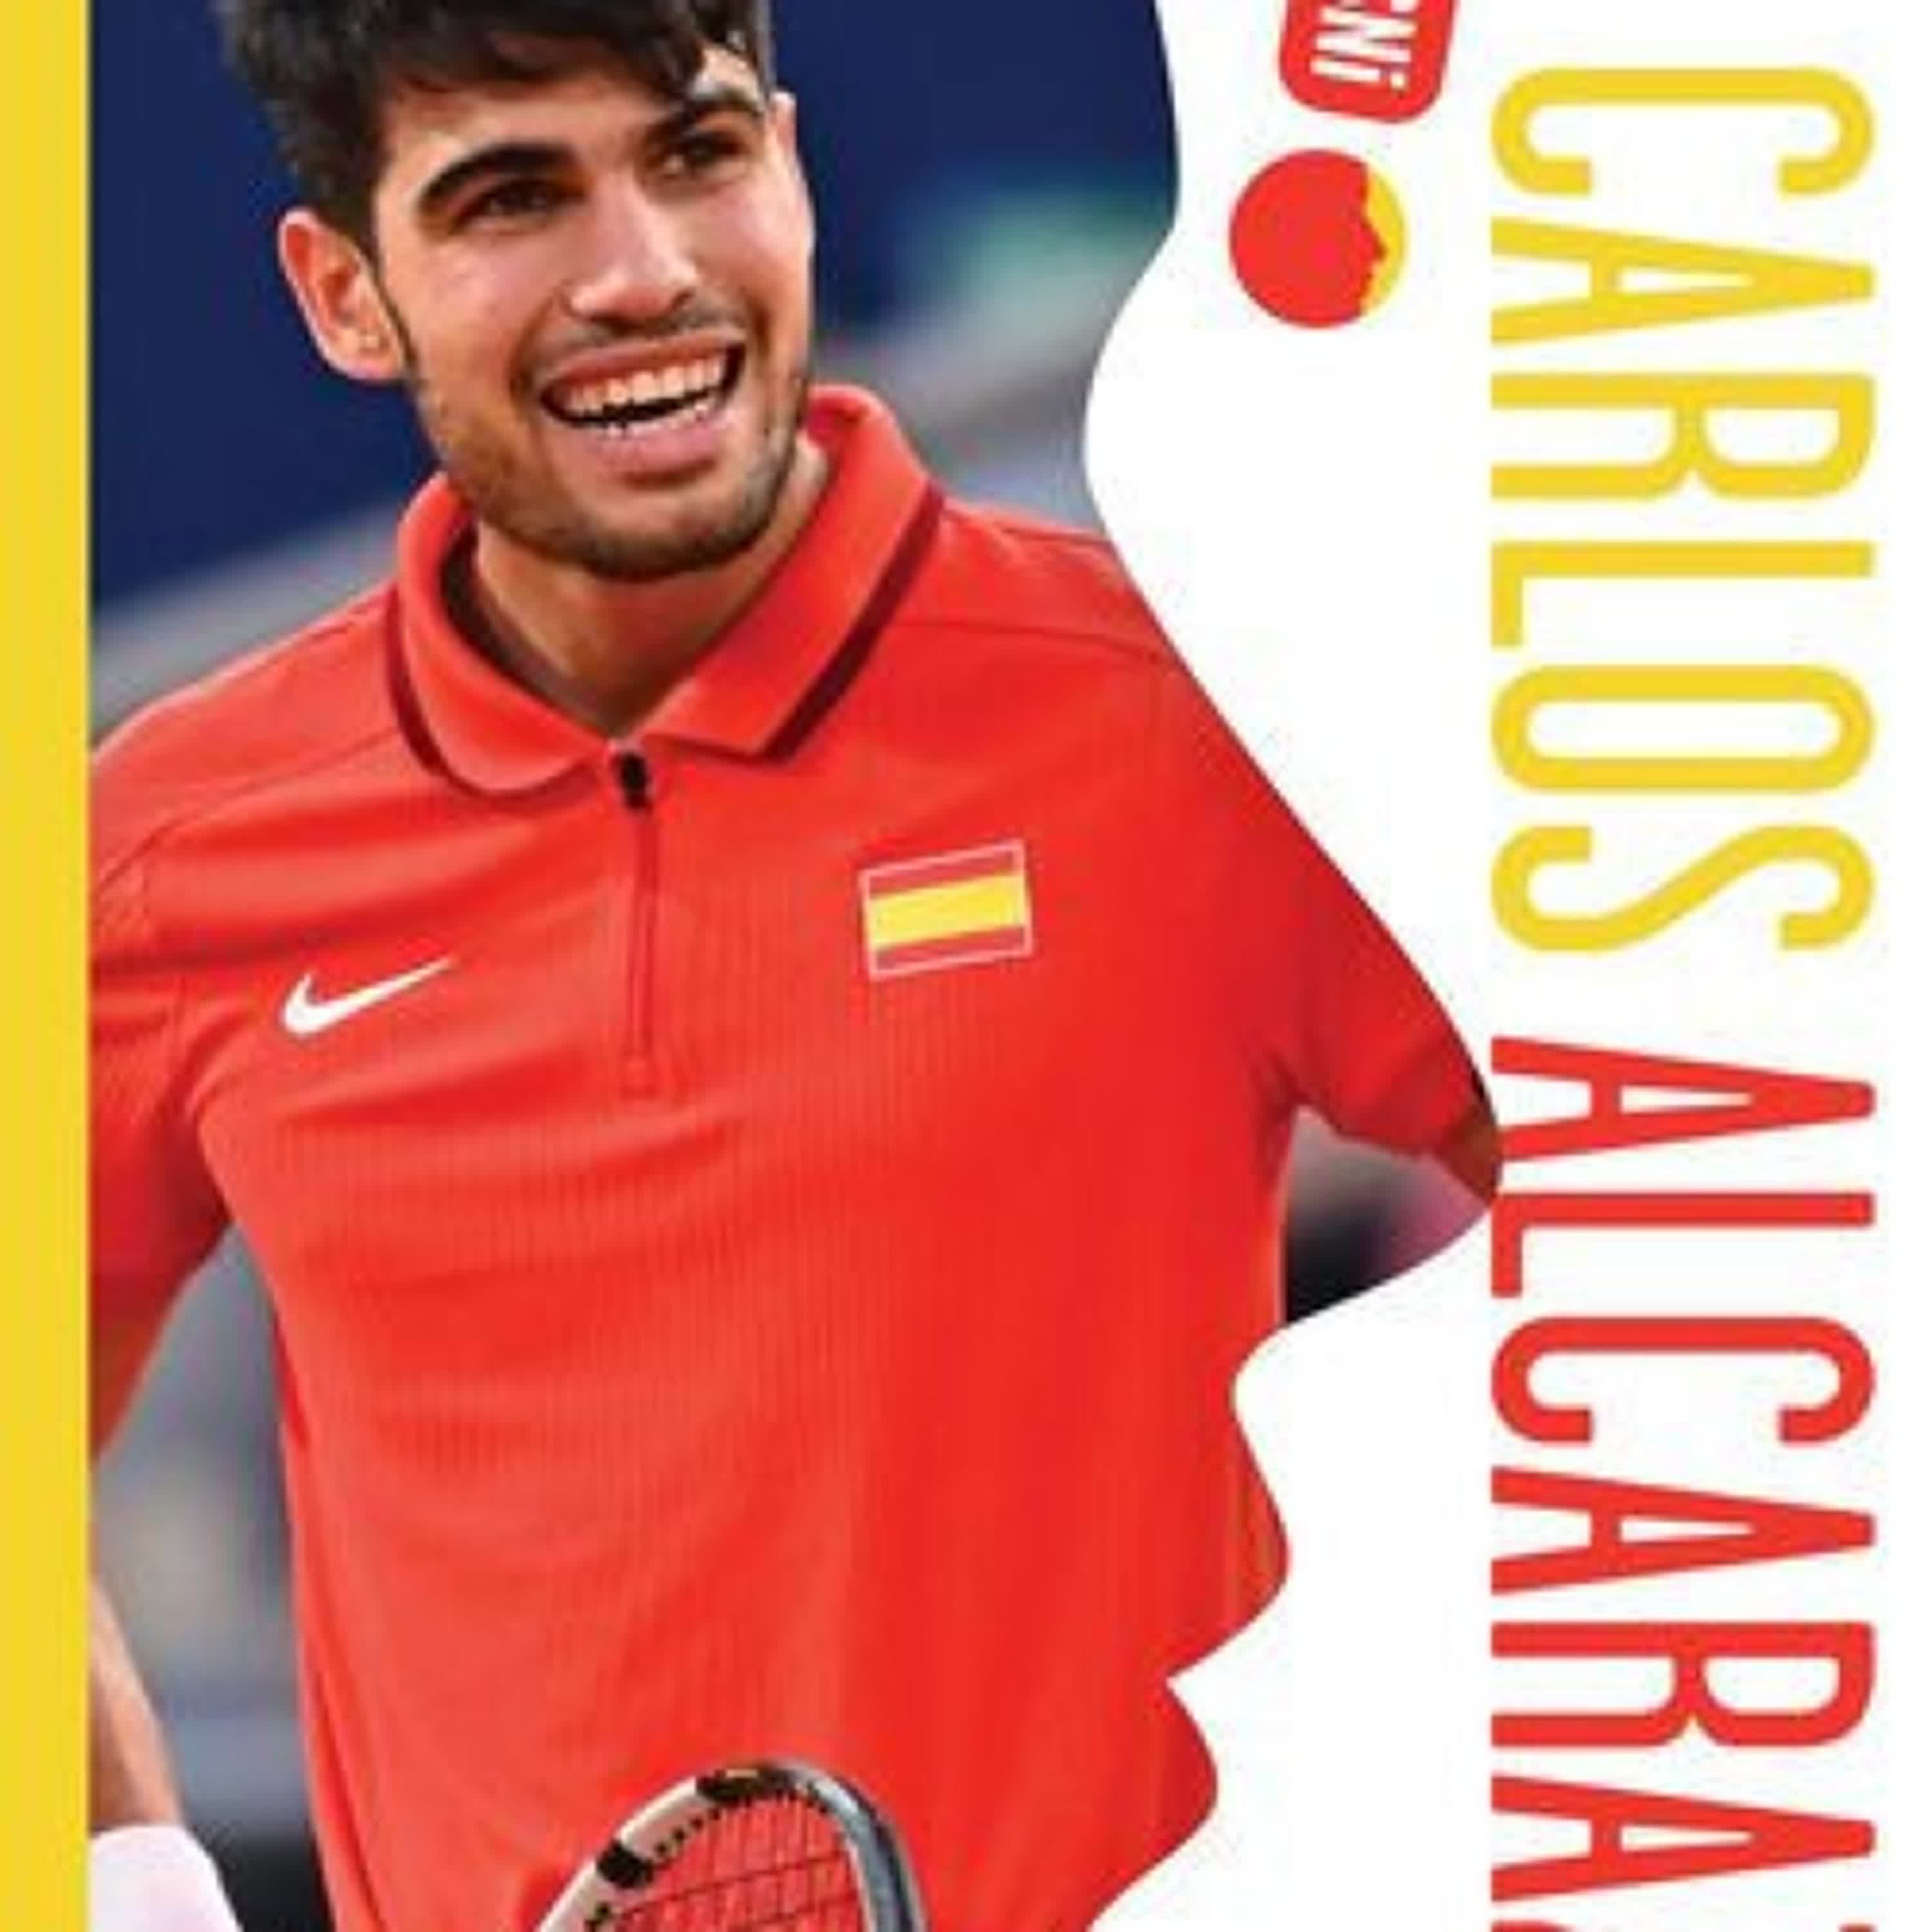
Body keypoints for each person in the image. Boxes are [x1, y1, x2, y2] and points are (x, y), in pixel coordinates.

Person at [90, 5, 1496, 1930]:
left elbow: (1734, 1232)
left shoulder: (1203, 717)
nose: (642, 271)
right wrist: (133, 1875)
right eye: (512, 199)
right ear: (346, 294)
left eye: (698, 155)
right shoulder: (170, 848)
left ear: (796, 170)